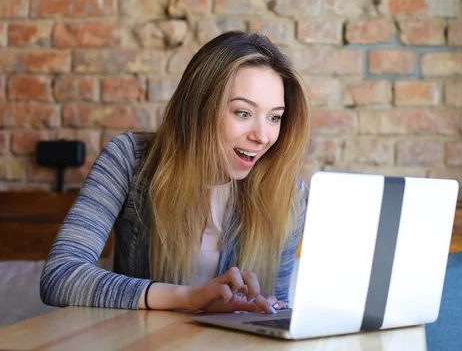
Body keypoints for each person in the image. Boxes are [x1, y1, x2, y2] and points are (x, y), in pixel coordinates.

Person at [40, 31, 311, 315]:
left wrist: (272, 307)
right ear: (198, 108)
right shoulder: (130, 161)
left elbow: (278, 307)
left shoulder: (289, 194)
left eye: (274, 117)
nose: (263, 136)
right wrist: (190, 298)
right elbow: (60, 275)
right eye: (243, 113)